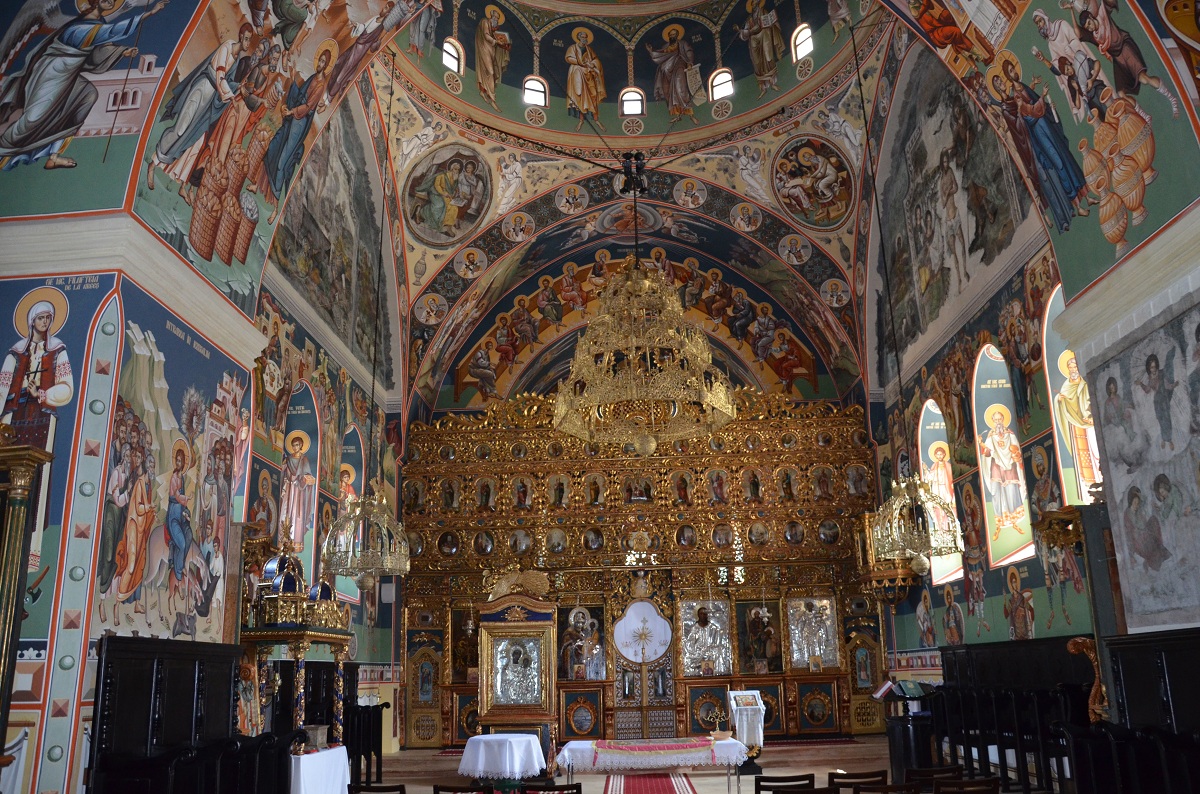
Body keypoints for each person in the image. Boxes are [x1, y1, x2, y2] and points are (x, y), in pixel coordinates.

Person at [148, 24, 255, 200]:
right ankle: (153, 163)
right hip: (202, 89)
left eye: (250, 39)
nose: (248, 43)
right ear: (241, 36)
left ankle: (176, 174)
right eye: (247, 38)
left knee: (195, 138)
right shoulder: (226, 47)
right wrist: (232, 97)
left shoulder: (236, 61)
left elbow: (227, 81)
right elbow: (220, 76)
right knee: (180, 129)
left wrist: (239, 89)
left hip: (210, 99)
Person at [259, 42, 335, 224]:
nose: (320, 64)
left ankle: (276, 208)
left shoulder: (321, 85)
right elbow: (300, 93)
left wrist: (291, 112)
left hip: (299, 123)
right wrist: (293, 79)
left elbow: (308, 106)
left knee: (283, 161)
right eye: (320, 60)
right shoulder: (313, 78)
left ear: (327, 65)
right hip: (293, 117)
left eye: (324, 62)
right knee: (275, 144)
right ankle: (260, 184)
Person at [1053, 351, 1102, 501]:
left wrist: (1089, 417)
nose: (1073, 370)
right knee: (1083, 453)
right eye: (1071, 367)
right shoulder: (1066, 386)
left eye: (1075, 366)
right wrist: (1061, 400)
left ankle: (1100, 476)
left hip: (1090, 424)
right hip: (1078, 427)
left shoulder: (1085, 382)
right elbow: (1065, 404)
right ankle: (1087, 482)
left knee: (1096, 448)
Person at [978, 406, 1027, 537]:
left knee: (1011, 491)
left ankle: (1015, 521)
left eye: (1000, 419)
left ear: (1004, 420)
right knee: (996, 492)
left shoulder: (1010, 434)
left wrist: (1015, 453)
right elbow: (987, 453)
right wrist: (982, 444)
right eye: (996, 420)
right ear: (993, 421)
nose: (998, 422)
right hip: (996, 468)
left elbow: (1017, 449)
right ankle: (999, 524)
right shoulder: (991, 436)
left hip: (1010, 466)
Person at [646, 25, 698, 124]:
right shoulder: (665, 47)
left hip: (679, 67)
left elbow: (689, 51)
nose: (672, 36)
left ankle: (691, 115)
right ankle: (677, 115)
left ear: (677, 35)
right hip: (666, 71)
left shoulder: (682, 43)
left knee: (680, 89)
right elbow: (660, 54)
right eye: (670, 35)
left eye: (674, 34)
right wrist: (651, 52)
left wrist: (690, 63)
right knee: (668, 92)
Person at [734, 0, 785, 98]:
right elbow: (746, 32)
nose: (754, 6)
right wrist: (740, 31)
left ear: (758, 4)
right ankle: (763, 88)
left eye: (756, 4)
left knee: (769, 58)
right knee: (757, 63)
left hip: (765, 38)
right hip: (754, 41)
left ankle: (773, 83)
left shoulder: (764, 12)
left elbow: (766, 24)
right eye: (752, 5)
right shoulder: (749, 19)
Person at [280, 431, 316, 548]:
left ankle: (296, 542)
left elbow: (307, 475)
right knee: (286, 511)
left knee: (297, 513)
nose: (295, 447)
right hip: (289, 488)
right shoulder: (288, 459)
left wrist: (301, 480)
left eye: (297, 445)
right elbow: (282, 470)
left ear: (301, 445)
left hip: (299, 491)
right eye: (293, 445)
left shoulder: (304, 459)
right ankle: (283, 539)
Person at [566, 28, 606, 131]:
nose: (584, 39)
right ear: (578, 37)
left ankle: (596, 119)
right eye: (583, 37)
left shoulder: (589, 50)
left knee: (593, 95)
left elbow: (596, 60)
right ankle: (581, 120)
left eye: (586, 38)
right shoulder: (573, 48)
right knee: (580, 97)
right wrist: (580, 63)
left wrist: (592, 64)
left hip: (589, 75)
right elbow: (568, 58)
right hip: (577, 74)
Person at [475, 5, 511, 112]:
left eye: (498, 18)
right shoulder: (484, 22)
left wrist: (504, 44)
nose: (496, 20)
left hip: (491, 51)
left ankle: (483, 91)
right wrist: (496, 41)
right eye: (495, 17)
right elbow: (486, 36)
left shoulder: (494, 28)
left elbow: (496, 39)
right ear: (491, 16)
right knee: (490, 72)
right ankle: (493, 99)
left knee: (493, 72)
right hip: (484, 49)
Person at [684, 606, 728, 674]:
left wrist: (710, 648)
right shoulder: (694, 628)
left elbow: (717, 643)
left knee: (718, 651)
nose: (703, 616)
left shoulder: (713, 628)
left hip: (710, 652)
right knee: (691, 657)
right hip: (698, 652)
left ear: (707, 615)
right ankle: (696, 669)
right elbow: (689, 643)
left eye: (705, 614)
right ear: (698, 615)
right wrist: (698, 649)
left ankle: (718, 672)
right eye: (701, 614)